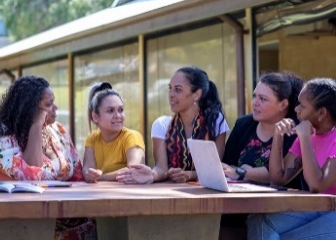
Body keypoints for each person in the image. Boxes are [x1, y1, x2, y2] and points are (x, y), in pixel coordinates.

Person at [0, 76, 95, 240]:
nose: (55, 108)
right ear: (30, 109)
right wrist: (35, 126)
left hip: (67, 213)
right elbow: (30, 175)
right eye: (48, 105)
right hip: (23, 221)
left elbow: (76, 171)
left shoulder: (58, 130)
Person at [247, 78, 336, 240]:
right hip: (318, 208)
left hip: (332, 210)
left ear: (321, 113)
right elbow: (278, 178)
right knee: (258, 220)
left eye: (302, 105)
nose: (296, 109)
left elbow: (317, 185)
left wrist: (305, 139)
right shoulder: (309, 134)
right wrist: (278, 135)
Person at [220, 72, 305, 240]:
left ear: (283, 104)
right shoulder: (244, 124)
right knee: (219, 221)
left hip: (279, 207)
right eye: (254, 96)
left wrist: (243, 172)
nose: (255, 103)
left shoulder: (294, 131)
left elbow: (277, 176)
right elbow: (227, 165)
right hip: (240, 201)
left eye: (263, 99)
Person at [116, 65, 229, 184]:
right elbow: (161, 169)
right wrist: (151, 175)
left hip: (207, 192)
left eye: (178, 89)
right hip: (171, 192)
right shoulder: (161, 125)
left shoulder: (215, 121)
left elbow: (216, 169)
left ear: (196, 94)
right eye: (170, 88)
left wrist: (189, 175)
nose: (171, 94)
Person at [82, 82, 145, 183]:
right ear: (95, 117)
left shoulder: (132, 136)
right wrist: (88, 174)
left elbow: (134, 171)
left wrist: (101, 177)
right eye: (110, 111)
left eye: (120, 110)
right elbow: (87, 169)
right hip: (99, 194)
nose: (118, 115)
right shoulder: (92, 138)